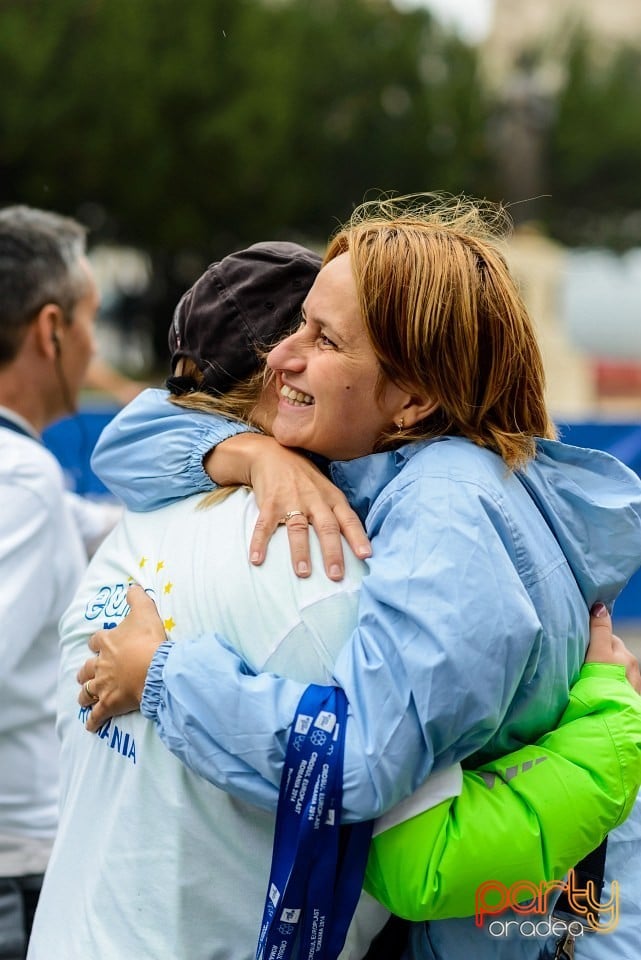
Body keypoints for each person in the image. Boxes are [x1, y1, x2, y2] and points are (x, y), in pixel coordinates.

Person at [28, 239, 641, 960]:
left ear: (413, 398)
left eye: (322, 338)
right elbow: (143, 429)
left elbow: (366, 774)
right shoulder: (415, 478)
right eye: (297, 328)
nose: (284, 355)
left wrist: (162, 674)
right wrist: (248, 453)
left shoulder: (437, 515)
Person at [0, 205, 120, 960]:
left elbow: (88, 521)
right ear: (50, 330)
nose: (92, 347)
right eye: (88, 321)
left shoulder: (35, 487)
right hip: (17, 866)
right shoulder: (24, 479)